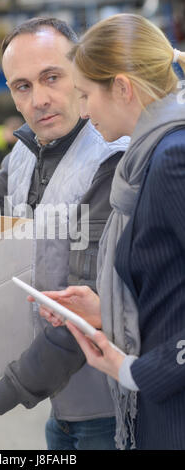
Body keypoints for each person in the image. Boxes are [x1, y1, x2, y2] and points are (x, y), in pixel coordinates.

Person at [0, 17, 129, 450]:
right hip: (60, 406)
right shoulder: (28, 152)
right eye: (22, 86)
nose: (39, 100)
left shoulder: (112, 161)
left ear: (82, 73)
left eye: (52, 77)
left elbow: (80, 314)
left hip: (109, 412)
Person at [38, 14, 185, 450]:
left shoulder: (172, 159)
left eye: (86, 95)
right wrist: (105, 309)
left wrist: (136, 371)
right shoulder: (148, 159)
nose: (83, 111)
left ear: (122, 87)